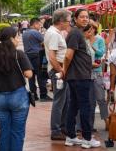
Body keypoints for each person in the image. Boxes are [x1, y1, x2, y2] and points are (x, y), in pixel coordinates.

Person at [0, 27, 33, 151]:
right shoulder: (19, 54)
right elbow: (29, 74)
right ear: (12, 39)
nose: (18, 39)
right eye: (17, 36)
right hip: (18, 97)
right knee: (17, 132)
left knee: (4, 132)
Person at [63, 9, 100, 148]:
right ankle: (87, 138)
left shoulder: (77, 33)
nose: (85, 19)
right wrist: (64, 72)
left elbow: (77, 56)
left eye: (87, 17)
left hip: (79, 75)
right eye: (82, 17)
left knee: (74, 106)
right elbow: (68, 55)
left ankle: (71, 136)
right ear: (75, 18)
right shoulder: (75, 33)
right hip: (80, 77)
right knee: (86, 107)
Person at [44, 9, 71, 140]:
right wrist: (60, 70)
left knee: (64, 100)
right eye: (68, 21)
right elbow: (52, 56)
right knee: (60, 101)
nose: (69, 24)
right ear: (61, 21)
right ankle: (56, 129)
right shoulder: (54, 34)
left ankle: (62, 126)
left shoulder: (55, 32)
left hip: (59, 69)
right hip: (58, 70)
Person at [22, 18, 52, 101]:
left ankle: (33, 95)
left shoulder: (25, 33)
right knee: (41, 75)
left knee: (31, 76)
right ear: (34, 24)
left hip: (27, 56)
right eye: (39, 24)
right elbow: (44, 43)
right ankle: (43, 95)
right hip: (37, 55)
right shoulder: (36, 33)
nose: (40, 26)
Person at [85, 22, 108, 131]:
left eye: (91, 29)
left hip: (97, 71)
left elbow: (101, 53)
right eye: (87, 29)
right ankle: (90, 124)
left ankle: (106, 120)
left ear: (94, 29)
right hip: (86, 71)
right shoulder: (83, 40)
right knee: (90, 100)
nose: (89, 31)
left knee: (101, 98)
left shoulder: (99, 40)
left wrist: (92, 47)